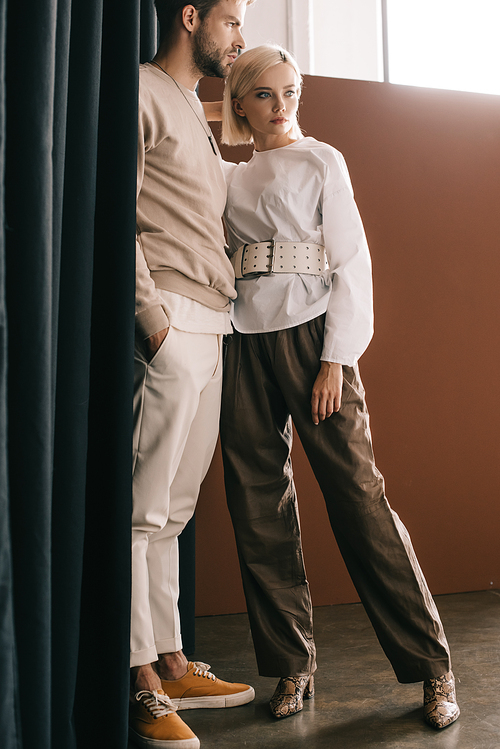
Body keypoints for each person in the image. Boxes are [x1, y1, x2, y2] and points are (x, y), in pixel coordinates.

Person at [217, 44, 460, 731]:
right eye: (264, 93)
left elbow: (353, 261)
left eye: (290, 89)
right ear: (240, 102)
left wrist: (336, 358)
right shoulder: (229, 175)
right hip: (243, 340)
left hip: (313, 338)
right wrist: (224, 106)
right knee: (257, 504)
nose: (283, 103)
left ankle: (432, 666)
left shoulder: (322, 158)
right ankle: (293, 667)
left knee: (359, 499)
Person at [130, 3, 256, 748]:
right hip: (172, 317)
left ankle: (173, 658)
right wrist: (152, 320)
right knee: (142, 511)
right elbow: (117, 210)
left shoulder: (194, 106)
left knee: (175, 511)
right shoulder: (141, 90)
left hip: (214, 322)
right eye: (233, 20)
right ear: (190, 16)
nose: (239, 38)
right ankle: (139, 676)